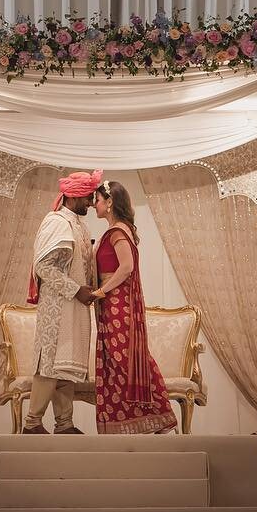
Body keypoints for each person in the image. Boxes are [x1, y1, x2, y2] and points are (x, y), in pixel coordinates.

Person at [90, 180, 178, 434]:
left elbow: (126, 267)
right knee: (118, 361)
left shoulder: (117, 232)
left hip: (117, 303)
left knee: (124, 359)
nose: (94, 204)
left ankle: (161, 415)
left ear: (109, 203)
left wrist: (100, 291)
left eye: (98, 199)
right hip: (112, 303)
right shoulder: (118, 230)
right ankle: (136, 419)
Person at [23, 169, 102, 434]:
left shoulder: (79, 224)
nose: (91, 203)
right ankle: (32, 423)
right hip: (56, 308)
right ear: (73, 197)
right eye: (88, 198)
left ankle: (64, 424)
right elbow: (44, 267)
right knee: (49, 366)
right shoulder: (57, 222)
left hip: (73, 307)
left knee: (65, 366)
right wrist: (75, 289)